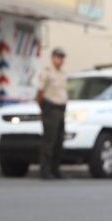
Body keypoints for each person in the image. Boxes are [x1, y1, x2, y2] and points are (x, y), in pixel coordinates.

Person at [37, 47, 69, 180]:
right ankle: (45, 170)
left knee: (59, 142)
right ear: (52, 58)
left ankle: (55, 169)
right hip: (51, 109)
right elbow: (39, 93)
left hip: (61, 110)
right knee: (49, 142)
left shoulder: (63, 74)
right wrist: (42, 110)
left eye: (61, 57)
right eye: (57, 57)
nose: (59, 60)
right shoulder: (47, 73)